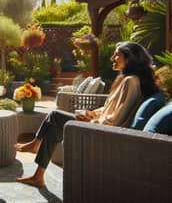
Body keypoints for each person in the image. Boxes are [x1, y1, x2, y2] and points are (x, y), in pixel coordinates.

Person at [15, 41, 159, 188]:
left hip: (104, 132)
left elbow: (118, 118)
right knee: (54, 128)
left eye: (117, 55)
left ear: (129, 59)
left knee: (55, 116)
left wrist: (92, 123)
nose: (112, 58)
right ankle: (38, 175)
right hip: (101, 126)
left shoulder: (131, 82)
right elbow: (110, 108)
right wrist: (91, 114)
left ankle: (35, 146)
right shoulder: (126, 80)